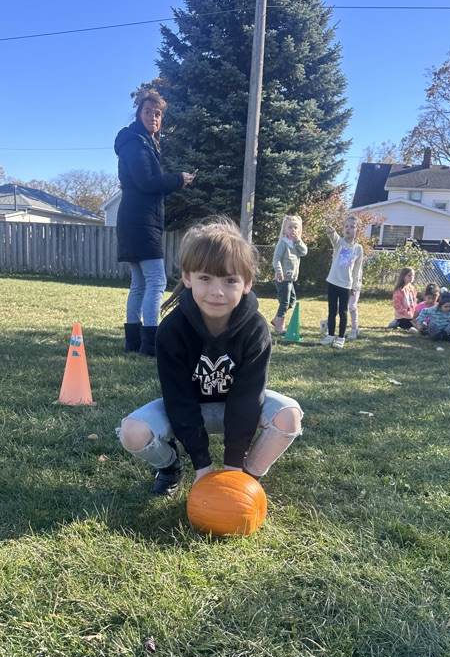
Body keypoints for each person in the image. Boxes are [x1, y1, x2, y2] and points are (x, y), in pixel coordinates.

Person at [117, 219, 303, 496]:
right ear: (187, 277)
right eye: (205, 278)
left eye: (230, 280)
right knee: (132, 432)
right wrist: (202, 467)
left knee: (289, 416)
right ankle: (170, 468)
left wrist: (231, 468)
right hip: (192, 407)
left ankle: (248, 476)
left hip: (236, 406)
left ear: (247, 283)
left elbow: (248, 397)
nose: (217, 291)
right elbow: (178, 399)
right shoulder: (171, 330)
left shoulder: (256, 328)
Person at [115, 90, 195, 356]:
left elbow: (147, 184)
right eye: (148, 112)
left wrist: (175, 180)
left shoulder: (144, 142)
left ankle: (134, 342)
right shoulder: (137, 143)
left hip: (135, 219)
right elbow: (146, 183)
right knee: (156, 281)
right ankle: (150, 344)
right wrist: (178, 179)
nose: (153, 117)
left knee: (139, 283)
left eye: (158, 114)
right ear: (139, 114)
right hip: (140, 222)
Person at [321, 215, 364, 349]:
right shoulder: (340, 243)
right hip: (333, 282)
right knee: (332, 310)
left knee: (343, 312)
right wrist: (331, 232)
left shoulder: (358, 249)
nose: (348, 229)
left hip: (346, 285)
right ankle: (330, 335)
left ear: (357, 230)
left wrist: (355, 285)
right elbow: (334, 239)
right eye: (346, 226)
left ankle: (341, 337)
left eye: (352, 227)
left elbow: (357, 269)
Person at [271, 215, 308, 335]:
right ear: (285, 229)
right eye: (290, 227)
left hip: (291, 279)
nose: (293, 230)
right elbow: (276, 259)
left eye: (295, 227)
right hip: (282, 278)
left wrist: (298, 241)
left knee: (292, 300)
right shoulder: (283, 243)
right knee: (284, 302)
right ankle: (279, 326)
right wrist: (279, 271)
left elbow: (304, 252)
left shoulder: (296, 244)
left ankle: (277, 319)